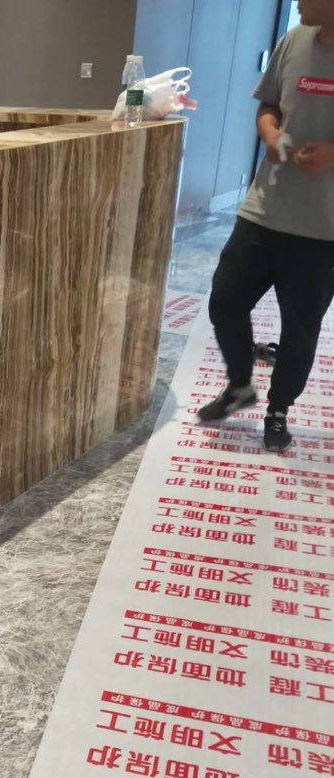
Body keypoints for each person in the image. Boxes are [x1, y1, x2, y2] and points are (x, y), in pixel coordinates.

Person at [198, 0, 334, 453]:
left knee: (300, 328)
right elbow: (269, 105)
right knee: (225, 302)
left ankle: (279, 409)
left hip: (323, 228)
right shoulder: (293, 40)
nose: (297, 3)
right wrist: (271, 133)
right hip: (264, 209)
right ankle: (240, 386)